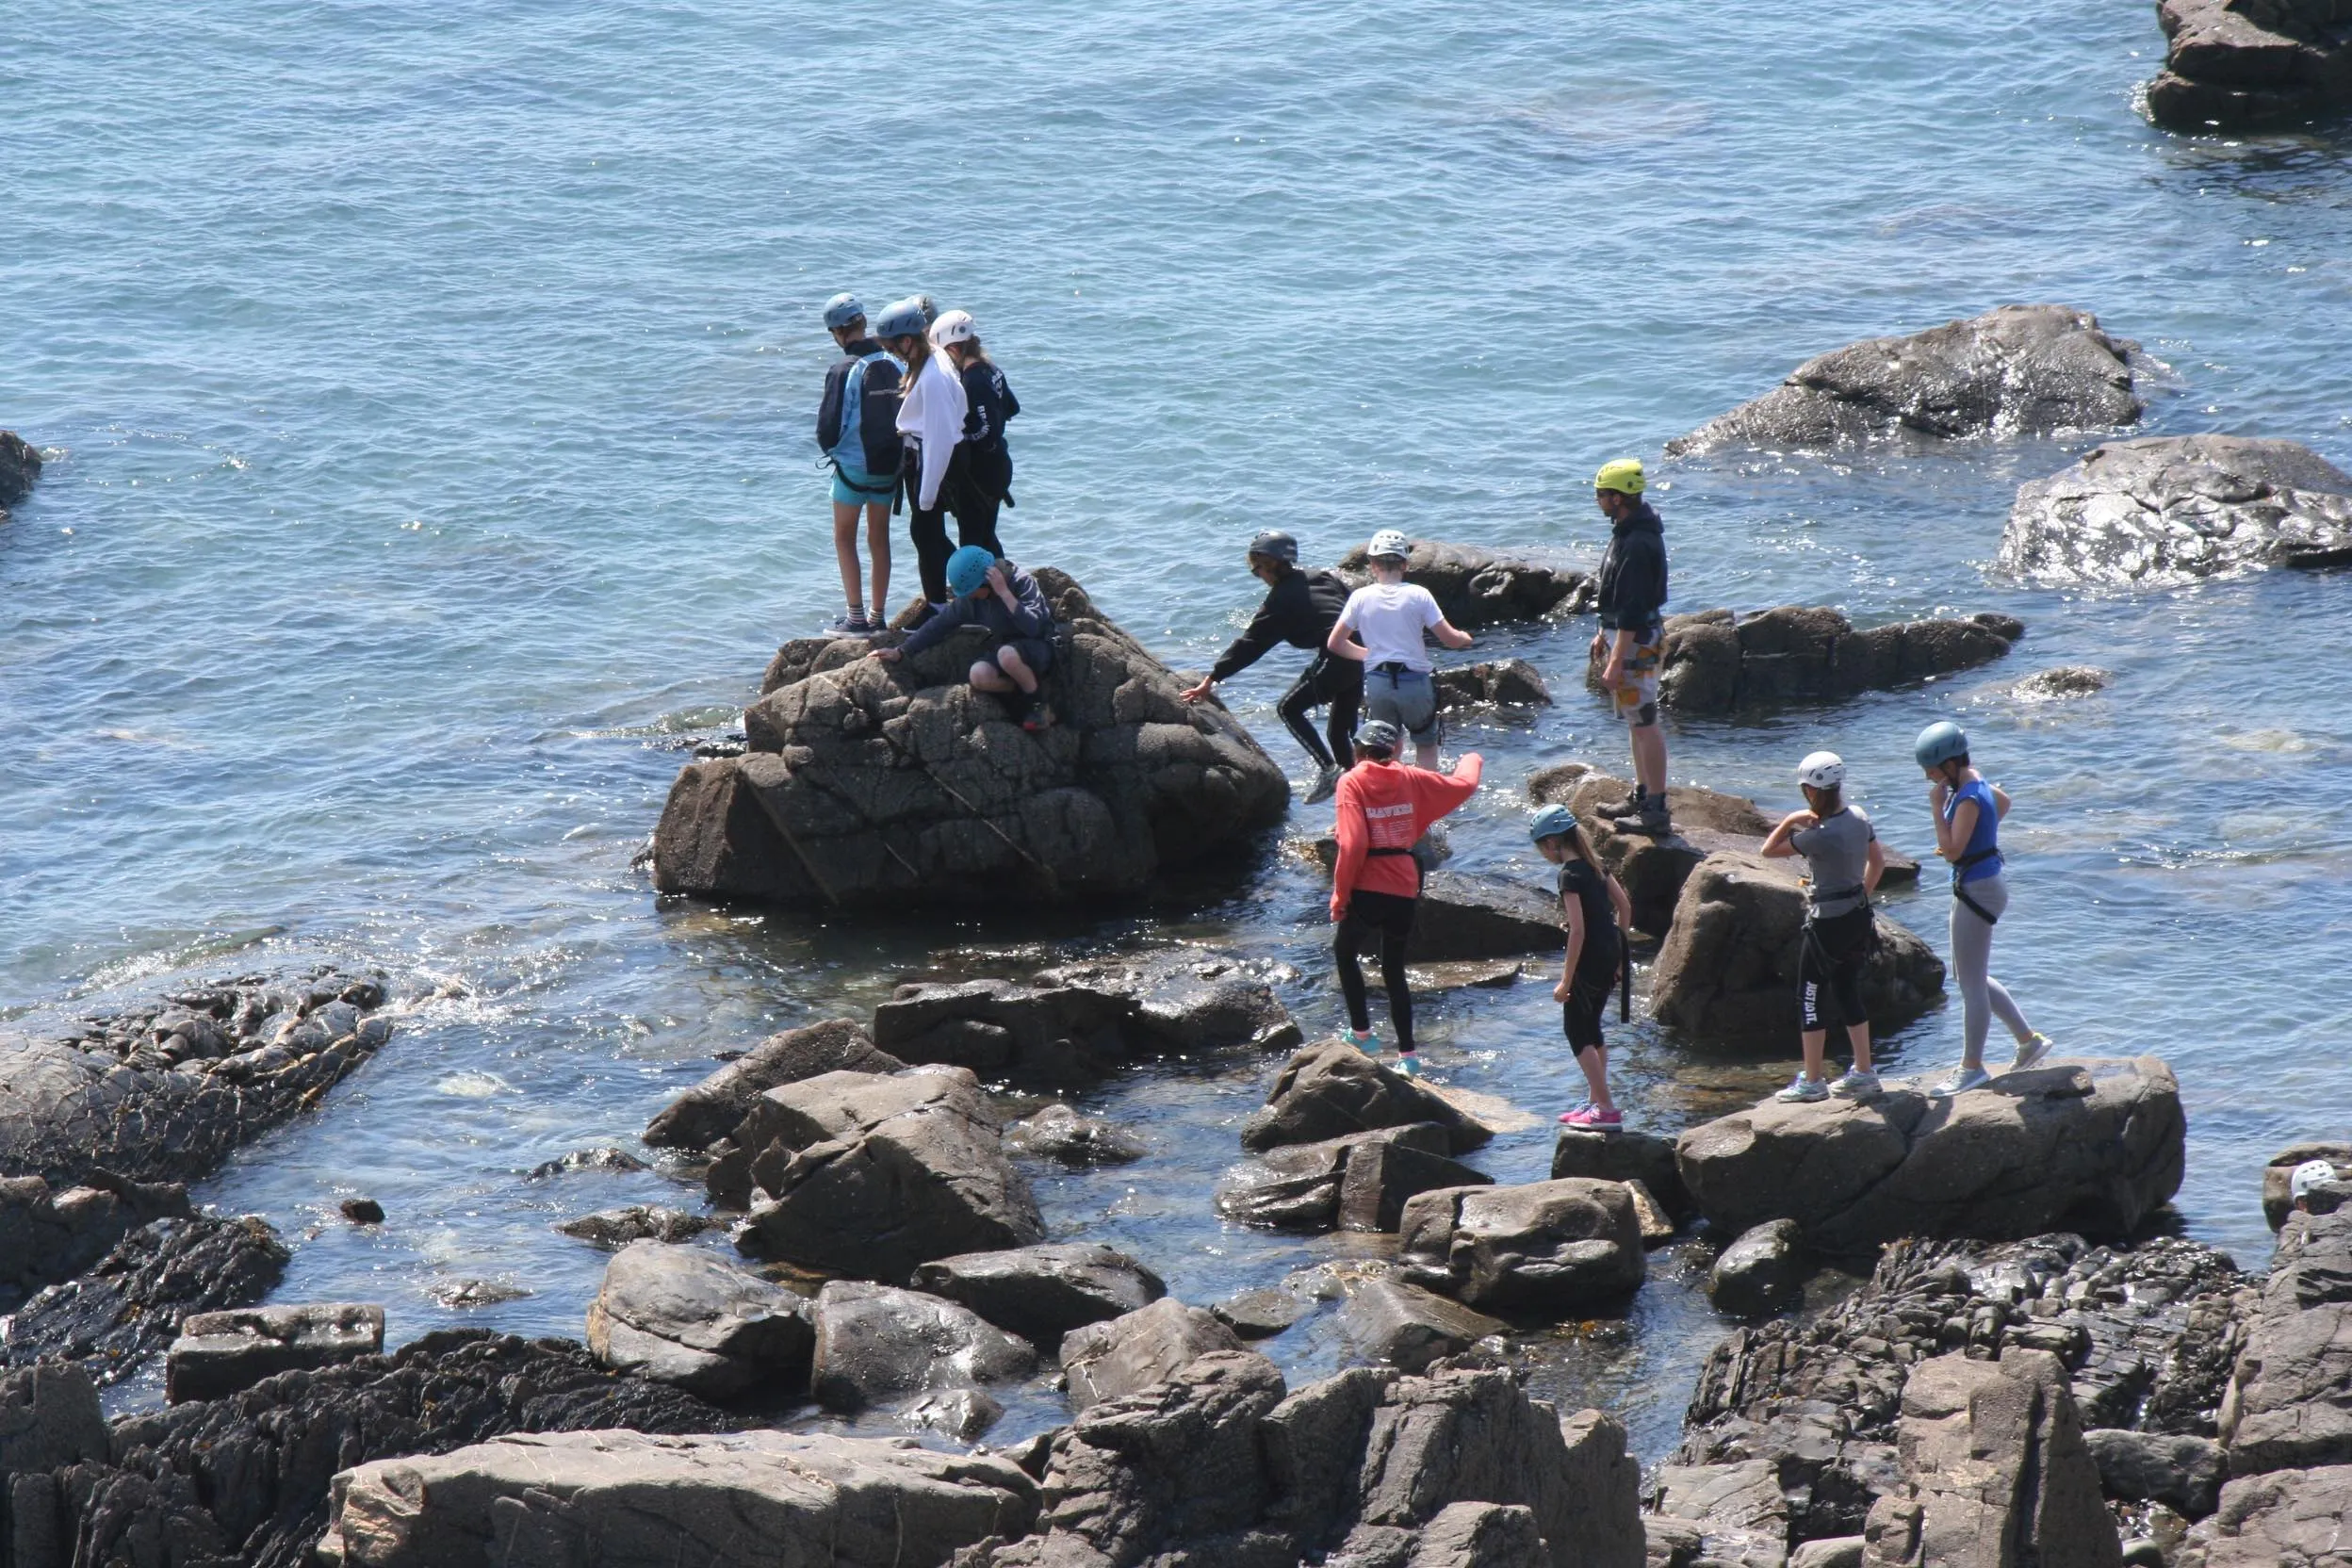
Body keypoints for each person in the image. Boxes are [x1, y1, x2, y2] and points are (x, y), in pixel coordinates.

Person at [1329, 719, 1483, 1079]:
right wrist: (1473, 756)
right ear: (1395, 749)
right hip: (1404, 884)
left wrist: (1340, 895)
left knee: (1345, 952)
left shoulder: (1351, 781)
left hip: (1369, 885)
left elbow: (1353, 845)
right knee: (1394, 970)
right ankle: (1408, 1056)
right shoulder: (1411, 777)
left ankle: (1363, 1034)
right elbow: (1464, 783)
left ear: (1358, 750)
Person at [1916, 721, 2054, 1097]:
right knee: (1969, 975)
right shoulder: (1974, 782)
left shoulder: (1967, 796)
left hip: (1977, 888)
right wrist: (1980, 834)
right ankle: (2028, 1041)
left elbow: (1953, 852)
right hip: (1982, 883)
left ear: (1949, 764)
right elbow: (2003, 802)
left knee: (1971, 984)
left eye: (1930, 769)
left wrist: (1937, 813)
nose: (1929, 778)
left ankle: (1972, 1068)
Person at [1180, 531, 1361, 803]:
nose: (1259, 576)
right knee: (1340, 732)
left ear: (1271, 565)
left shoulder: (1280, 600)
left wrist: (1212, 678)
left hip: (1336, 656)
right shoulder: (1320, 576)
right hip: (1361, 653)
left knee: (1287, 709)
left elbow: (1250, 644)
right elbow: (1354, 603)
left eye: (1257, 570)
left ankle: (1329, 771)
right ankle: (1361, 795)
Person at [1762, 751, 1886, 1102]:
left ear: (1811, 791)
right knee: (1848, 990)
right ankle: (1864, 1072)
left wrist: (1791, 820)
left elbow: (1768, 851)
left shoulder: (1820, 835)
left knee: (1810, 996)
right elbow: (1876, 863)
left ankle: (1813, 1081)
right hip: (1858, 916)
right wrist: (1859, 895)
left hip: (1827, 924)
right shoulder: (1859, 818)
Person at [1325, 530, 1473, 768]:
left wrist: (1369, 655)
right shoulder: (1419, 594)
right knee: (1425, 744)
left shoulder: (1360, 597)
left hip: (1378, 682)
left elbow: (1335, 643)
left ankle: (1391, 798)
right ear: (1404, 564)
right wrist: (1466, 638)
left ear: (1372, 564)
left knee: (1385, 747)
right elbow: (1450, 639)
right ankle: (1424, 798)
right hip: (1414, 682)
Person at [869, 544, 1057, 731]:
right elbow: (940, 624)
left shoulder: (1022, 582)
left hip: (1038, 647)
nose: (971, 596)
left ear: (987, 580)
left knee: (1007, 655)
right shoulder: (972, 601)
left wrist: (1005, 593)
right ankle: (1018, 691)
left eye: (972, 590)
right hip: (1005, 649)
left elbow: (1034, 627)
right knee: (978, 675)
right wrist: (901, 651)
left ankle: (1039, 704)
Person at [1530, 805, 1634, 1129]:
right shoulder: (1596, 866)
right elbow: (1624, 907)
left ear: (1552, 843)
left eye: (1542, 849)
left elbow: (1577, 930)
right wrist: (1618, 956)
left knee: (1576, 1031)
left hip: (1588, 961)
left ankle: (1606, 1108)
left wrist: (1565, 980)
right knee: (1593, 1029)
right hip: (1608, 955)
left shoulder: (1569, 874)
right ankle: (1594, 1101)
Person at [1588, 459, 1673, 837]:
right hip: (1627, 635)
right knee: (1636, 723)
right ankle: (1642, 794)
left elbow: (1634, 610)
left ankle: (1655, 807)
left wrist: (1616, 661)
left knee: (1645, 722)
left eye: (1601, 495)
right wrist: (1602, 631)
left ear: (1618, 498)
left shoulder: (1637, 542)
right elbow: (1616, 595)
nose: (1597, 501)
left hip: (1637, 641)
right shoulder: (1628, 529)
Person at [874, 296, 969, 622]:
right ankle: (963, 587)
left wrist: (927, 496)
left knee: (926, 533)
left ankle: (939, 607)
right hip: (922, 455)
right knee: (925, 533)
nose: (891, 354)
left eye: (892, 348)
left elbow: (940, 441)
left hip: (932, 459)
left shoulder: (933, 377)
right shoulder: (931, 359)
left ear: (907, 341)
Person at [813, 293, 904, 635]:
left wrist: (833, 450)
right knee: (879, 538)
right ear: (864, 323)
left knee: (844, 537)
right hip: (890, 467)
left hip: (853, 468)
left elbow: (828, 428)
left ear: (836, 332)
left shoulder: (842, 370)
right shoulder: (896, 363)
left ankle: (855, 617)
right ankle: (879, 618)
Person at [933, 309, 1019, 565]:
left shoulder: (973, 381)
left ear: (955, 349)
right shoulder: (992, 370)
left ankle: (982, 597)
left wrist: (958, 435)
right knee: (987, 537)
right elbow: (1012, 407)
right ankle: (1003, 587)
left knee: (972, 542)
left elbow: (986, 434)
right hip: (1000, 466)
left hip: (983, 474)